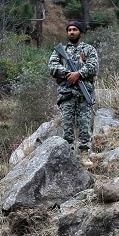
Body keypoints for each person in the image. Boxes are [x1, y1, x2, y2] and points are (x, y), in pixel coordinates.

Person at [48, 20, 99, 162]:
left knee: (84, 125)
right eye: (69, 29)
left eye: (75, 29)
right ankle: (68, 156)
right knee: (67, 127)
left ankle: (84, 155)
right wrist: (67, 73)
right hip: (66, 94)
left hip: (84, 94)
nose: (71, 32)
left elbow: (93, 66)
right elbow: (52, 66)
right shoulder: (59, 50)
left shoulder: (89, 49)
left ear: (80, 32)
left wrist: (79, 74)